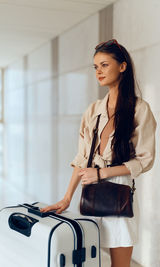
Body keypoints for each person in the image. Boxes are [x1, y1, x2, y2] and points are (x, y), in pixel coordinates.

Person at [40, 39, 156, 267]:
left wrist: (101, 174)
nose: (98, 72)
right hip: (90, 195)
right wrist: (66, 198)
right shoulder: (93, 110)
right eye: (95, 67)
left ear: (122, 66)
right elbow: (82, 159)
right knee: (86, 261)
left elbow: (145, 160)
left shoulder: (140, 110)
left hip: (120, 195)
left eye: (104, 65)